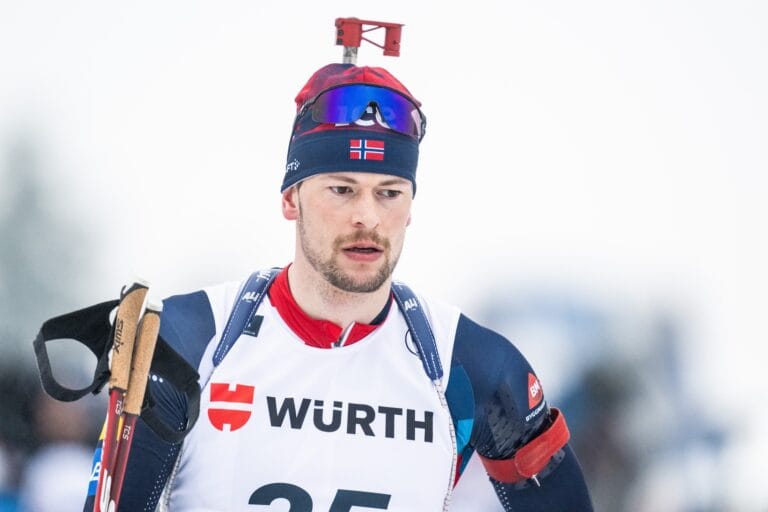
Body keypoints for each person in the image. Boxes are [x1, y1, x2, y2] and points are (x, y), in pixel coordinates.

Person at [83, 63, 594, 511]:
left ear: (411, 208)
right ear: (291, 199)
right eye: (342, 190)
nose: (367, 217)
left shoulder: (472, 365)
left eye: (389, 193)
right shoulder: (192, 339)